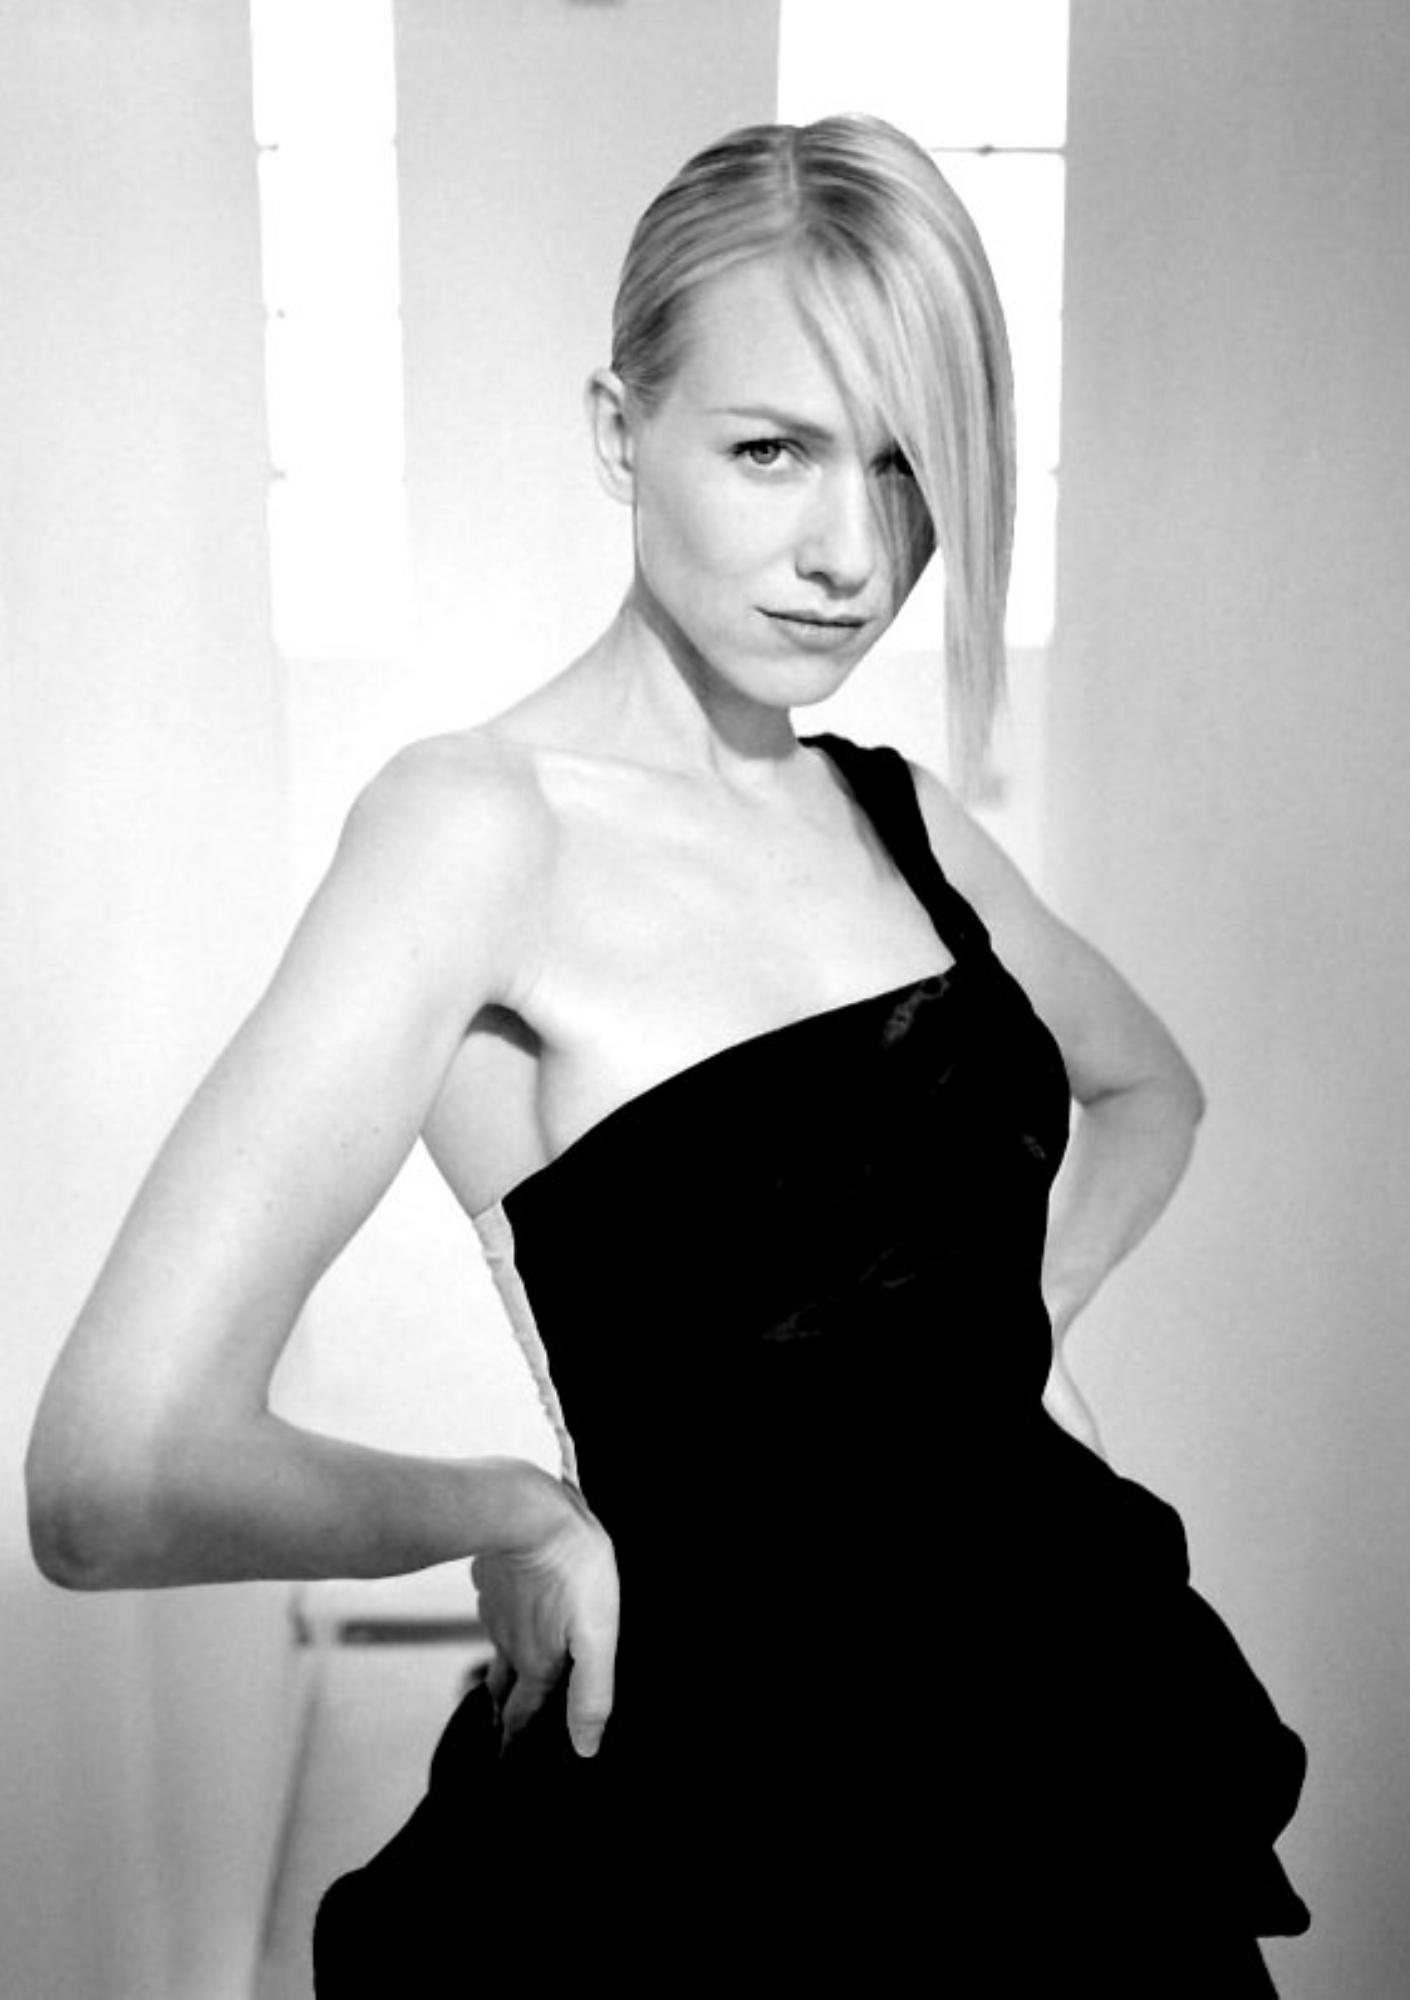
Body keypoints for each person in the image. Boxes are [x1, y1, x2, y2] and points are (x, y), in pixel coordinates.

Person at [27, 116, 1308, 1992]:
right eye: (772, 449)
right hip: (749, 1807)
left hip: (1072, 1725)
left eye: (907, 464)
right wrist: (508, 1508)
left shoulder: (903, 820)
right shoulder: (477, 829)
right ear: (621, 433)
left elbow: (1147, 1091)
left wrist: (981, 1346)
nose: (852, 553)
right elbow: (114, 1472)